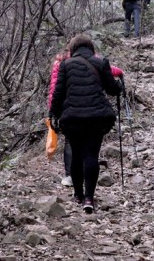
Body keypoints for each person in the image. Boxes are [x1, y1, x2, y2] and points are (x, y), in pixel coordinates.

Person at [49, 34, 123, 214]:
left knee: (75, 155)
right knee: (91, 155)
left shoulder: (65, 65)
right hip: (96, 118)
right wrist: (120, 85)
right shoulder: (101, 62)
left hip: (72, 118)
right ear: (91, 48)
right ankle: (89, 198)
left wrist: (53, 114)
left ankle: (77, 194)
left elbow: (58, 92)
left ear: (73, 49)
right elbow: (112, 90)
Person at [47, 48, 73, 187]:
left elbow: (54, 89)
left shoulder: (59, 63)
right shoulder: (89, 59)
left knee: (70, 141)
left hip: (65, 108)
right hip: (86, 106)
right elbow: (107, 68)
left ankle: (69, 175)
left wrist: (52, 111)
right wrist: (119, 72)